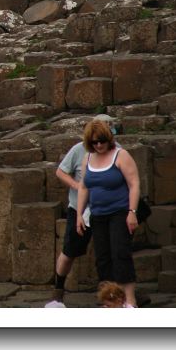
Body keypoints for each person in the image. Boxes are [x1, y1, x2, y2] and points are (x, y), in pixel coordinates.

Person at [51, 114, 120, 302]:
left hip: (105, 210)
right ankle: (58, 290)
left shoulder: (118, 151)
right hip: (79, 210)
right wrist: (77, 187)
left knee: (108, 253)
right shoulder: (79, 150)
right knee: (70, 251)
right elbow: (60, 171)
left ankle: (114, 295)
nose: (100, 142)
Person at [76, 117, 141, 308]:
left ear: (108, 139)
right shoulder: (88, 158)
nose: (98, 145)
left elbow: (134, 184)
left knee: (121, 253)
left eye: (101, 141)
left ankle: (130, 300)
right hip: (98, 214)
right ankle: (110, 299)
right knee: (102, 257)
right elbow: (83, 187)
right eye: (94, 142)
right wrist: (79, 214)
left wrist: (132, 211)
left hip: (119, 211)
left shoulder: (121, 155)